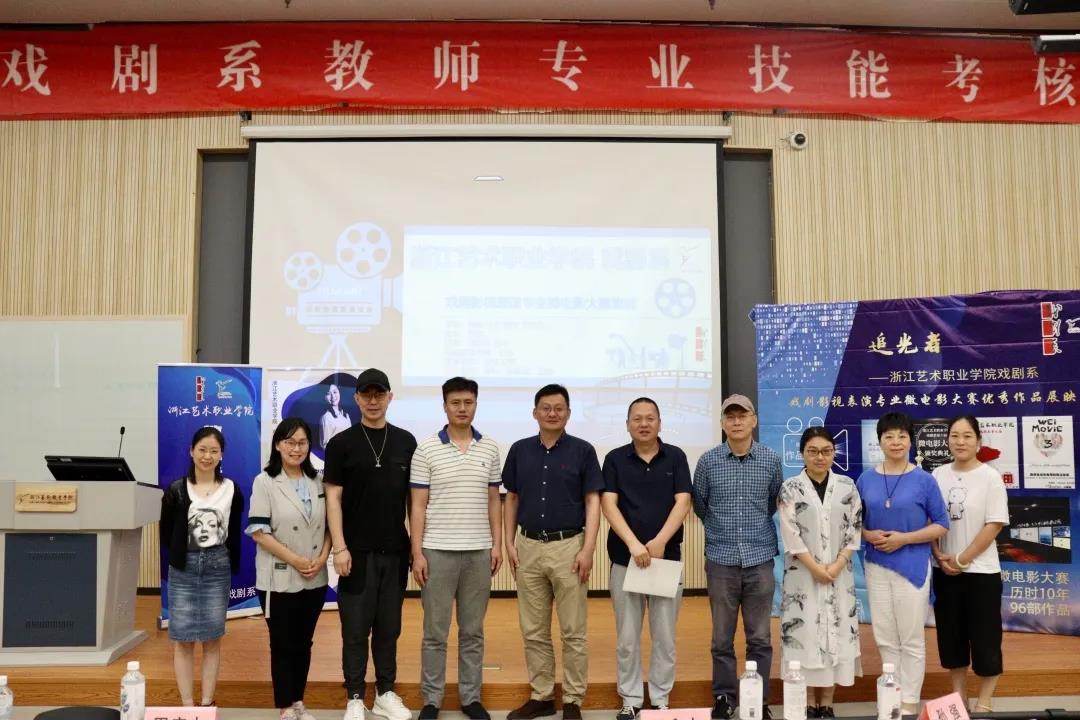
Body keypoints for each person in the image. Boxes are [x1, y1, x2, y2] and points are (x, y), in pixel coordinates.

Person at [503, 384, 603, 720]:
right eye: (545, 408)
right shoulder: (519, 450)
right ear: (535, 412)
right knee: (533, 630)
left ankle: (573, 699)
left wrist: (588, 548)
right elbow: (511, 498)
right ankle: (542, 695)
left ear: (568, 414)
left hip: (569, 547)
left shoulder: (583, 451)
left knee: (573, 631)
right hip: (527, 547)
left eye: (559, 408)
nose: (552, 413)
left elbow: (592, 501)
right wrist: (509, 542)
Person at [325, 368, 418, 720]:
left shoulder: (406, 442)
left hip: (395, 552)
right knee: (354, 628)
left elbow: (414, 502)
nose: (373, 401)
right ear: (357, 399)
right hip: (356, 554)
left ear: (390, 397)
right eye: (366, 394)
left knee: (388, 628)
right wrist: (340, 547)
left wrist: (416, 547)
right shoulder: (341, 444)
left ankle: (385, 692)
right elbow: (333, 499)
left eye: (379, 394)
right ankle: (354, 695)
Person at [410, 377, 504, 720]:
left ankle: (470, 698)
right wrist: (417, 553)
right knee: (435, 633)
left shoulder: (490, 447)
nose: (462, 408)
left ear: (475, 404)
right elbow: (418, 505)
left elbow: (494, 500)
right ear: (445, 406)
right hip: (436, 552)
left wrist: (496, 544)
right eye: (455, 403)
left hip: (479, 553)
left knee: (472, 631)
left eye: (468, 402)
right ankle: (432, 700)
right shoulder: (426, 449)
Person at [691, 394, 782, 720]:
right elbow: (700, 505)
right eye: (730, 417)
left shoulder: (771, 460)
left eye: (742, 416)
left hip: (759, 559)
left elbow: (773, 502)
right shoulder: (708, 462)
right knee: (721, 638)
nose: (737, 421)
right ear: (722, 423)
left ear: (753, 420)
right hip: (721, 559)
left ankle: (759, 700)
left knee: (760, 638)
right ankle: (724, 698)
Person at [601, 398, 692, 720]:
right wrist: (634, 545)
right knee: (627, 638)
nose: (643, 424)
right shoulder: (614, 459)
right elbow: (608, 504)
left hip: (665, 560)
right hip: (625, 560)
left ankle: (661, 698)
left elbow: (683, 501)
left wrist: (659, 542)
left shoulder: (676, 457)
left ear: (659, 423)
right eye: (637, 419)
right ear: (627, 424)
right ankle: (630, 699)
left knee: (664, 637)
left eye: (649, 418)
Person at [856, 412, 949, 716]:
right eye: (889, 436)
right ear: (879, 441)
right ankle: (890, 695)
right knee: (885, 636)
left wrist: (904, 539)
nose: (895, 442)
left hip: (912, 566)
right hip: (876, 566)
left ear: (911, 440)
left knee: (911, 638)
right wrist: (867, 534)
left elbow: (942, 524)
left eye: (902, 436)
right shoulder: (866, 479)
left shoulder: (924, 480)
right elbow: (854, 523)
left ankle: (909, 700)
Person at [247, 417, 331, 720]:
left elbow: (330, 526)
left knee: (303, 643)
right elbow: (259, 532)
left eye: (302, 442)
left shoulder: (318, 480)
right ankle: (285, 707)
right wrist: (296, 560)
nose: (297, 448)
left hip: (315, 576)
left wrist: (323, 557)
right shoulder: (265, 481)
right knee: (282, 643)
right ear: (278, 445)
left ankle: (298, 702)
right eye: (290, 442)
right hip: (279, 577)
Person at [777, 427, 863, 719]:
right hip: (802, 576)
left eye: (826, 451)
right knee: (805, 635)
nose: (819, 457)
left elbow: (854, 528)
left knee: (835, 633)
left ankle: (826, 704)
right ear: (802, 454)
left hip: (839, 574)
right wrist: (815, 569)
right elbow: (790, 533)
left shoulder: (847, 486)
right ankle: (805, 704)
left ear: (834, 453)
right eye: (812, 451)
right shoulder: (790, 488)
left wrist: (837, 565)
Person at [159, 426, 244, 707]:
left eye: (214, 451)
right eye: (202, 450)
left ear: (222, 455)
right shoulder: (176, 489)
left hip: (217, 567)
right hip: (184, 568)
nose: (207, 456)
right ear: (191, 451)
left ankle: (207, 703)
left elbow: (234, 530)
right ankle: (187, 705)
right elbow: (166, 532)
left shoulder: (232, 489)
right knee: (182, 640)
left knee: (212, 639)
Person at [930, 416, 1009, 712]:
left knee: (986, 637)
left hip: (981, 573)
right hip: (945, 570)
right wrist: (938, 554)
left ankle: (984, 703)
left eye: (967, 435)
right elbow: (930, 520)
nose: (960, 441)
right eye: (954, 435)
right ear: (947, 440)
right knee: (952, 638)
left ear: (978, 441)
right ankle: (958, 699)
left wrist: (963, 559)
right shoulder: (937, 475)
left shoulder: (990, 477)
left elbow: (994, 524)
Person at [321, 383, 352, 449]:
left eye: (335, 392)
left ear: (339, 392)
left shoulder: (347, 416)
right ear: (325, 397)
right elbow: (326, 446)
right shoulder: (326, 417)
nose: (333, 396)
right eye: (328, 394)